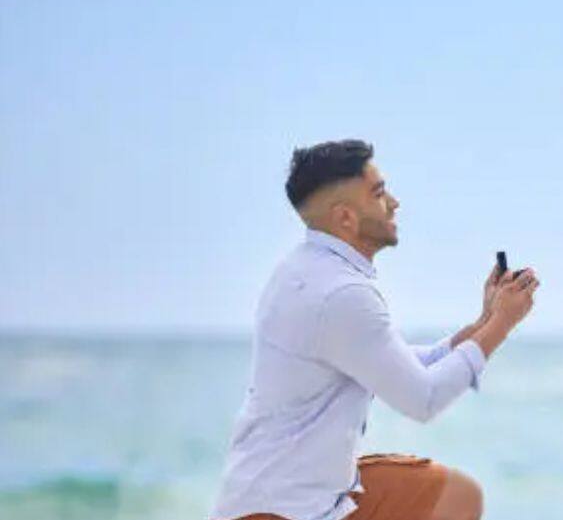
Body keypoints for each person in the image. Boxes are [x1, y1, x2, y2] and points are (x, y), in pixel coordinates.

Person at [210, 139, 540, 520]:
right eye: (379, 193)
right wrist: (502, 324)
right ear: (346, 218)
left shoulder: (305, 270)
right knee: (456, 499)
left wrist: (484, 321)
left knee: (456, 496)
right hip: (280, 512)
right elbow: (424, 397)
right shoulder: (341, 294)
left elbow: (392, 364)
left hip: (318, 496)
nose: (394, 203)